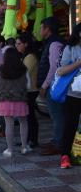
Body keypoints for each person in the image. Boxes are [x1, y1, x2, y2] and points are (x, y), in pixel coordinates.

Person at [0, 48, 31, 157]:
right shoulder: (24, 69)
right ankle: (24, 147)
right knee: (23, 122)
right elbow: (28, 86)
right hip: (20, 99)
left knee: (9, 124)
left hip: (5, 100)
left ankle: (10, 150)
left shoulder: (0, 70)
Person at [37, 16, 65, 155]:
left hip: (54, 86)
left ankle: (59, 143)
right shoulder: (51, 43)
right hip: (54, 85)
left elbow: (54, 67)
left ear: (47, 29)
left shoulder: (54, 44)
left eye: (41, 28)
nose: (39, 30)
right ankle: (56, 140)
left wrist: (45, 85)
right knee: (56, 115)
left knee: (57, 115)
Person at [56, 22, 81, 169]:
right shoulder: (70, 49)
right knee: (70, 125)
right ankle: (65, 156)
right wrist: (78, 63)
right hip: (73, 94)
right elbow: (60, 71)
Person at [16, 32, 40, 147]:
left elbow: (23, 73)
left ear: (26, 44)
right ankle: (27, 139)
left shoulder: (30, 57)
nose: (17, 46)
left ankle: (32, 140)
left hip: (31, 90)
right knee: (27, 116)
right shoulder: (24, 56)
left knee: (30, 116)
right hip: (27, 90)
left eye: (19, 43)